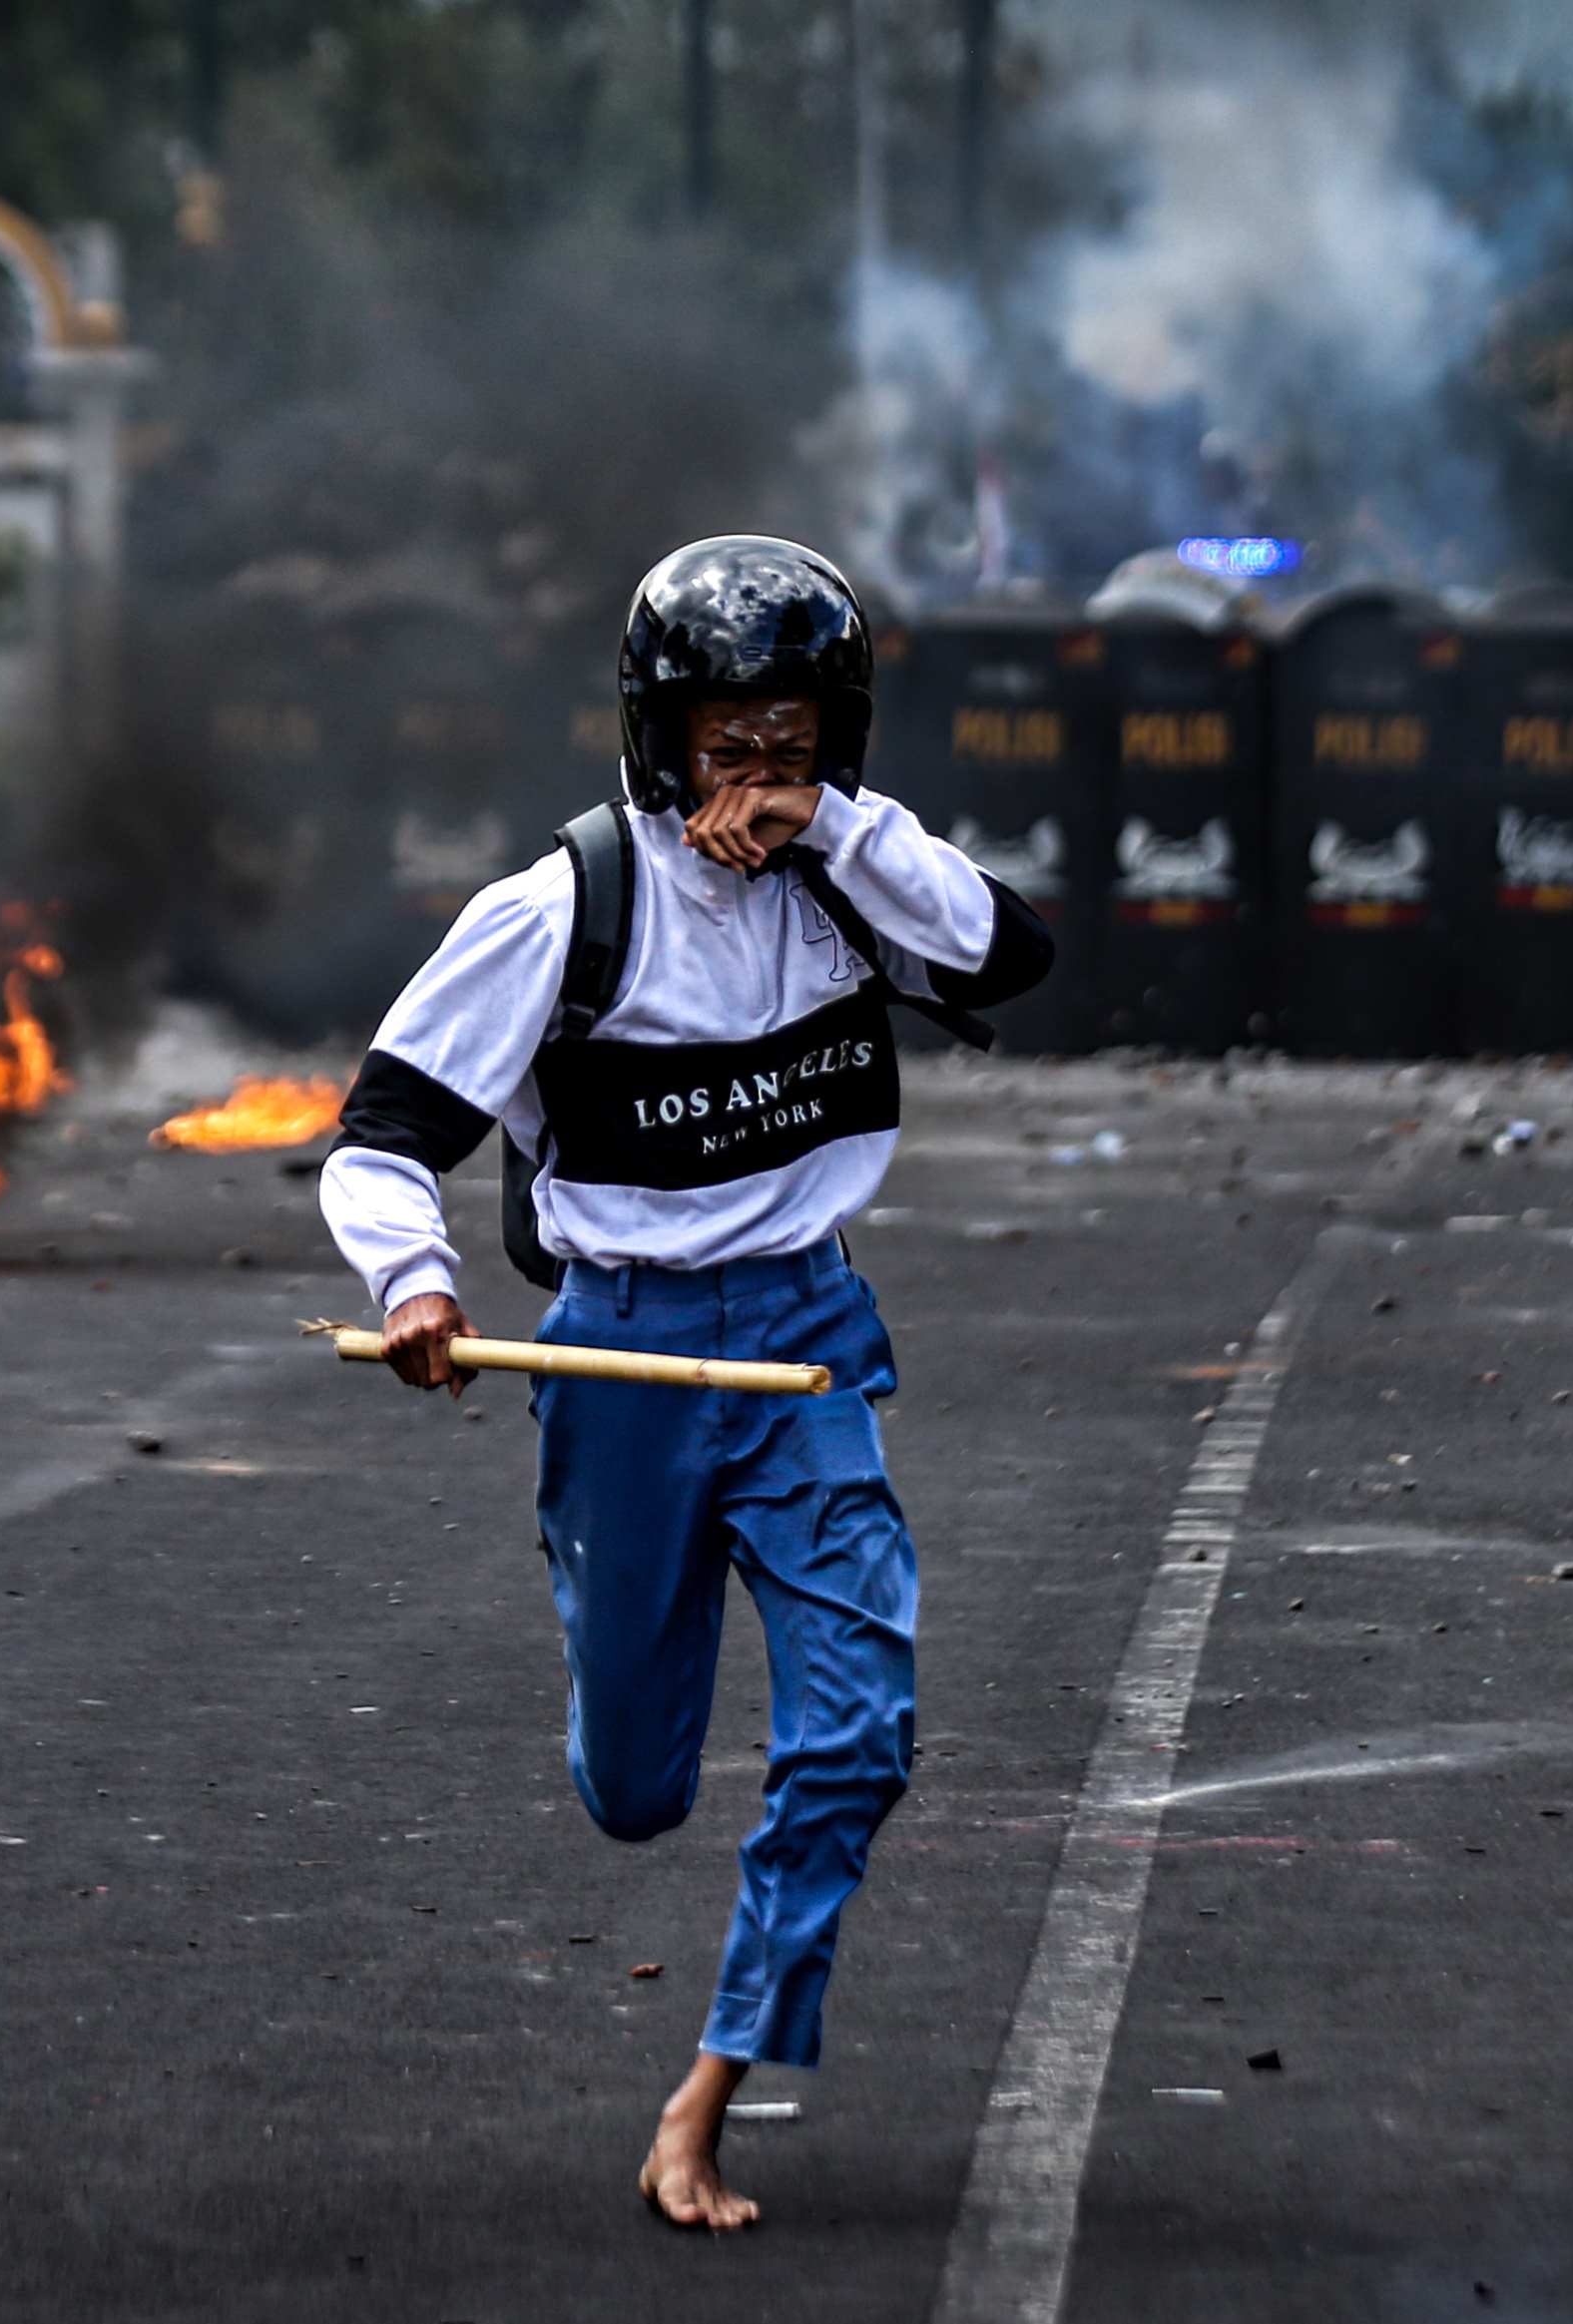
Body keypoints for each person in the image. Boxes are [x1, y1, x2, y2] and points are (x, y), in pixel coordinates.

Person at [317, 536, 1053, 2231]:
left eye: (790, 739)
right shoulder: (560, 907)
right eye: (727, 744)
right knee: (636, 1785)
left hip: (804, 1341)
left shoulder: (854, 868)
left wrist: (839, 831)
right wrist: (414, 1279)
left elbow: (1006, 953)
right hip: (615, 1349)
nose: (758, 776)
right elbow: (378, 1137)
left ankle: (707, 2090)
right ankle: (605, 1609)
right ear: (659, 741)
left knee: (858, 1730)